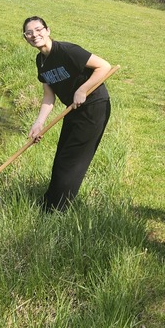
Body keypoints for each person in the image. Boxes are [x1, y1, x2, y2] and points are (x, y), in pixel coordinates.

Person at [23, 16, 112, 211]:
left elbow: (104, 67)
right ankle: (50, 202)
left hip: (93, 106)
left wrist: (82, 90)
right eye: (29, 33)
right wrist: (38, 124)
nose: (34, 35)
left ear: (47, 30)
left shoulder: (67, 51)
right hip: (73, 109)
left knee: (72, 160)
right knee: (61, 157)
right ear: (25, 38)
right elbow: (49, 96)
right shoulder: (40, 61)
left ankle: (58, 209)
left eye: (38, 30)